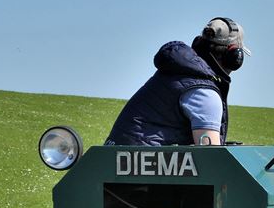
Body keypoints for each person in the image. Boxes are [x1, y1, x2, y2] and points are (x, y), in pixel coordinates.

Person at [105, 17, 251, 147]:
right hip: (142, 171)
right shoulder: (205, 94)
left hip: (115, 162)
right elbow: (210, 159)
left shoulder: (174, 74)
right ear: (234, 57)